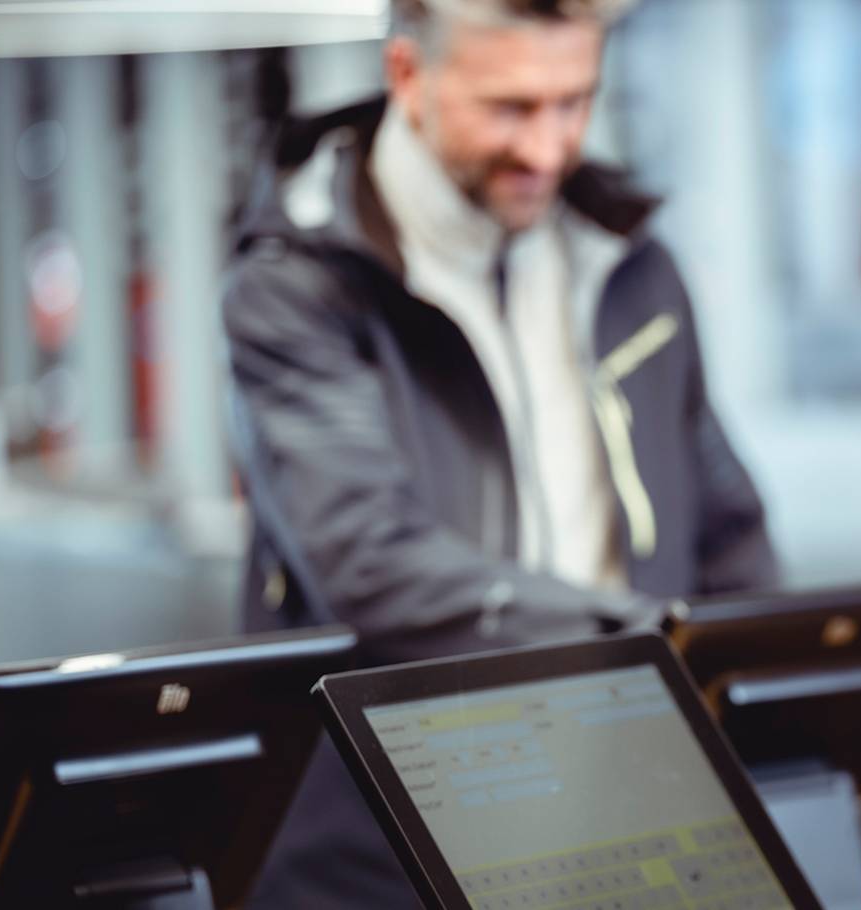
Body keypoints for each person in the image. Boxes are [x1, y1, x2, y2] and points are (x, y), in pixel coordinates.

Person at [220, 0, 775, 903]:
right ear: (409, 75)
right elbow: (369, 562)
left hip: (616, 828)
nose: (549, 149)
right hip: (381, 856)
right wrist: (640, 643)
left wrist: (787, 769)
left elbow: (728, 530)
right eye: (511, 108)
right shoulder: (296, 289)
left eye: (575, 101)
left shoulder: (634, 266)